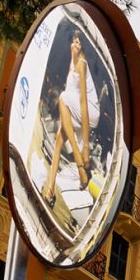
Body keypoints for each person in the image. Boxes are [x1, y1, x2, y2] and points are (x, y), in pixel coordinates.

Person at [41, 30, 100, 206]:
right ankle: (50, 189)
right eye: (74, 42)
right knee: (59, 141)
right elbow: (70, 89)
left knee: (63, 97)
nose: (76, 46)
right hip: (74, 108)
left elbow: (83, 103)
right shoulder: (72, 58)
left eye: (79, 43)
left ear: (83, 47)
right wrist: (64, 118)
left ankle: (80, 163)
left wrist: (86, 147)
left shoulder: (82, 63)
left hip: (90, 110)